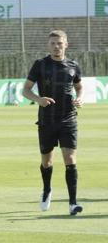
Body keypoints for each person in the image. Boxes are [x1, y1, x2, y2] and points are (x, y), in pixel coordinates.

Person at [22, 30, 83, 215]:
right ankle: (47, 189)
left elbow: (79, 87)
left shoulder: (73, 65)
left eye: (60, 43)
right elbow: (25, 90)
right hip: (46, 120)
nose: (56, 46)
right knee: (47, 162)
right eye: (53, 43)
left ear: (66, 44)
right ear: (48, 45)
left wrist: (80, 98)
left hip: (68, 119)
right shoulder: (40, 65)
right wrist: (38, 99)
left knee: (70, 159)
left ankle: (73, 203)